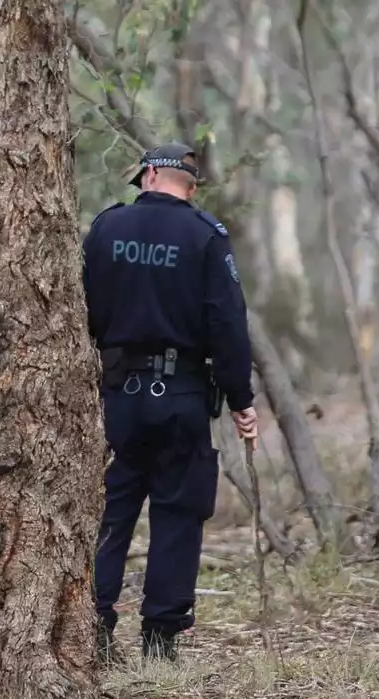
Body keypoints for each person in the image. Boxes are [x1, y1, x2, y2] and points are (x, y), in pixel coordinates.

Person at [81, 143, 259, 664]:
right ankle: (160, 640)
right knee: (178, 513)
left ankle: (94, 626)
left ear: (151, 175)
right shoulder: (206, 236)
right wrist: (241, 399)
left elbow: (81, 307)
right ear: (192, 186)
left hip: (115, 395)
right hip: (180, 395)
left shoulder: (107, 229)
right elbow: (227, 324)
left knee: (109, 511)